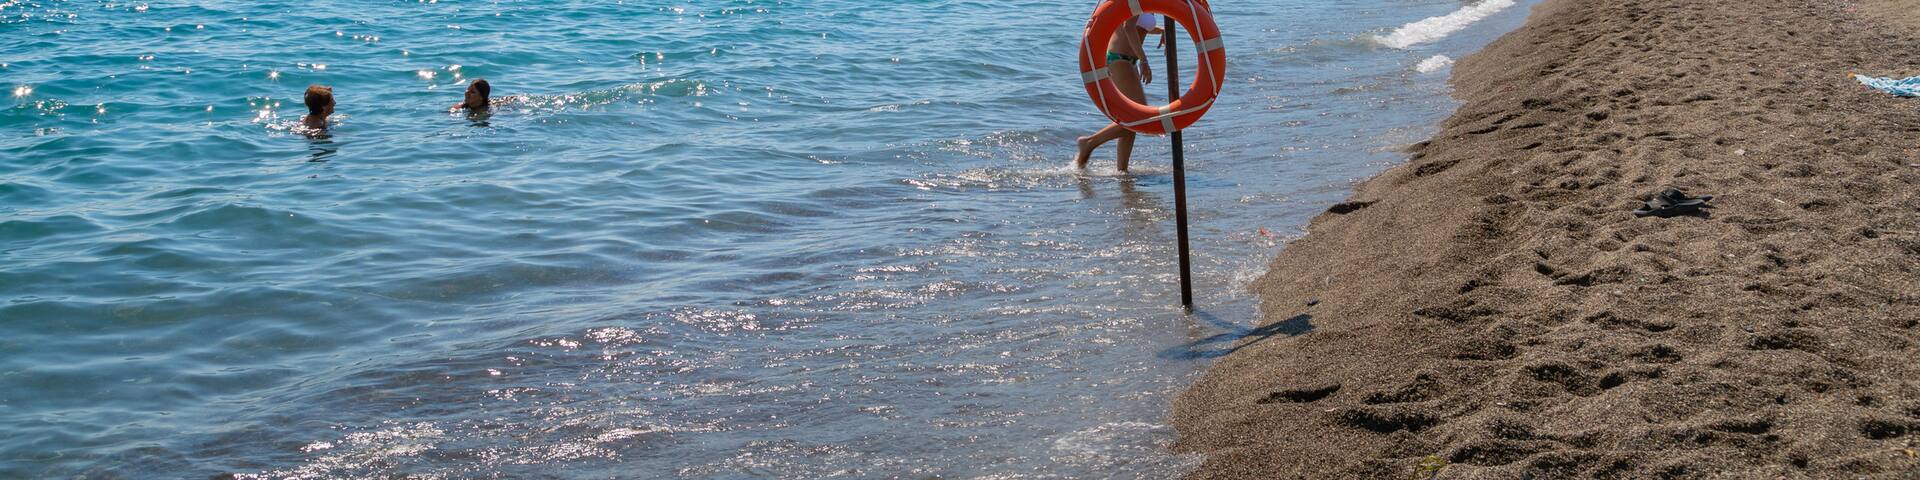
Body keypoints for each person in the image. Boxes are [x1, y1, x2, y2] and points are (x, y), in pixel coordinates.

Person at [1074, 13, 1161, 172]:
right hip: (1119, 60)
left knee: (1132, 118)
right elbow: (1127, 27)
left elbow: (1140, 27)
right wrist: (1144, 60)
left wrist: (1162, 31)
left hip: (1128, 61)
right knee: (1139, 119)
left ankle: (1122, 172)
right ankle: (1089, 143)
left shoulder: (1148, 3)